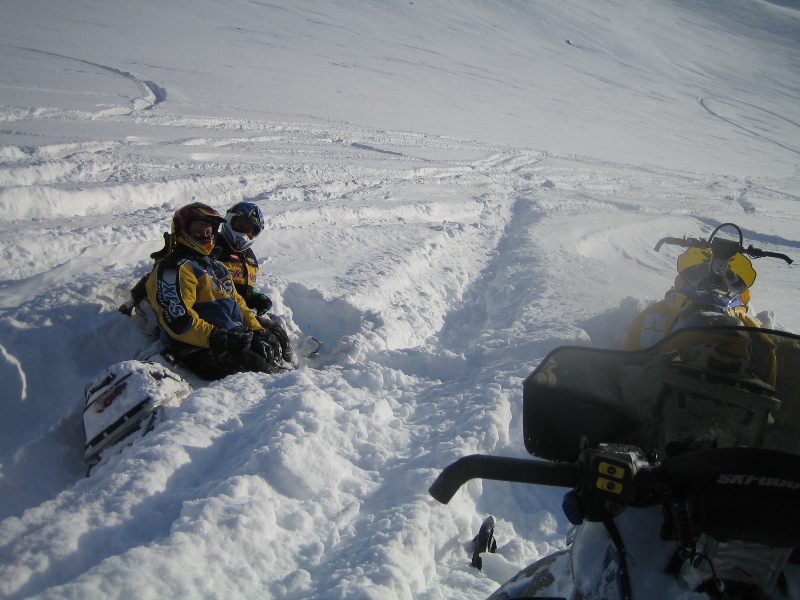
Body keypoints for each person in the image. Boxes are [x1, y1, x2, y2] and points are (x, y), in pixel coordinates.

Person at [144, 202, 284, 380]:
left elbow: (238, 303)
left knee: (270, 348)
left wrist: (257, 330)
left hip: (229, 338)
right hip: (198, 347)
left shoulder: (214, 267)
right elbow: (179, 321)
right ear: (182, 229)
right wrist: (218, 337)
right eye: (198, 230)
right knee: (263, 374)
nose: (204, 235)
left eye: (208, 232)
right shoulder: (174, 269)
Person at [214, 202, 296, 365]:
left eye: (249, 229)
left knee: (277, 330)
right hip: (220, 313)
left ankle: (292, 361)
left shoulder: (249, 257)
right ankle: (274, 369)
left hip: (242, 311)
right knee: (264, 339)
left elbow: (242, 288)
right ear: (229, 221)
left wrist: (254, 298)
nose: (244, 232)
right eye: (240, 225)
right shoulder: (214, 247)